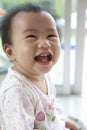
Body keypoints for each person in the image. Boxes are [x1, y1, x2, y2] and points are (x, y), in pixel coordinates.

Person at [0, 3, 78, 130]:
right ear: (10, 52)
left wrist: (64, 121)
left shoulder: (42, 75)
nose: (45, 43)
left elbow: (51, 106)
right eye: (32, 36)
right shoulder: (17, 92)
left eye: (51, 36)